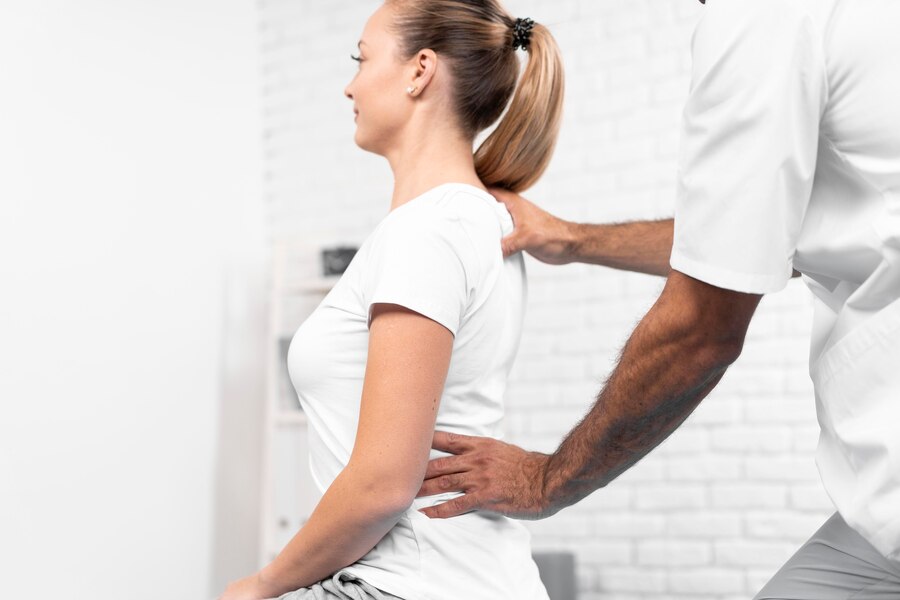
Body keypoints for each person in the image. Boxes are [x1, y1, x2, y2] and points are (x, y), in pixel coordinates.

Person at [417, 0, 900, 598]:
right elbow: (747, 239)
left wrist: (547, 481)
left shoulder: (764, 17)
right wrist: (572, 239)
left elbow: (700, 329)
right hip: (879, 527)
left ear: (420, 71)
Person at [217, 1, 564, 599]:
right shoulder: (471, 219)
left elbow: (382, 483)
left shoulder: (427, 230)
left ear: (420, 71)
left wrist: (260, 585)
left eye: (362, 58)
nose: (349, 84)